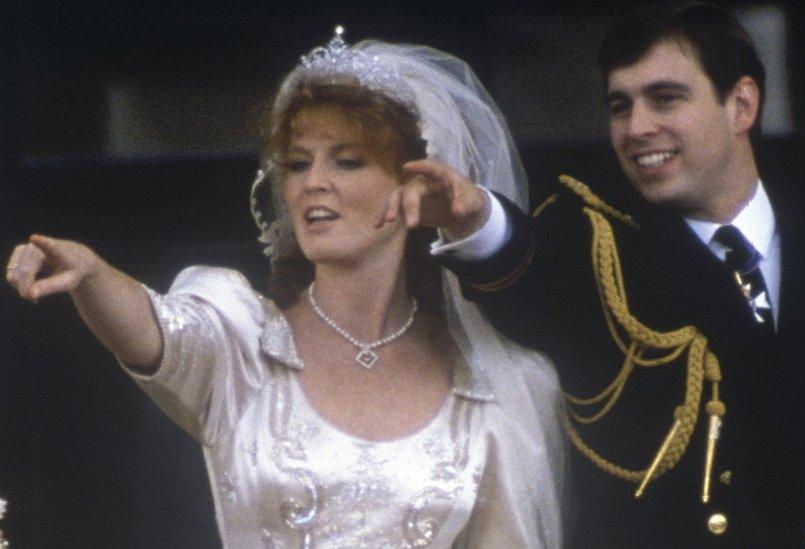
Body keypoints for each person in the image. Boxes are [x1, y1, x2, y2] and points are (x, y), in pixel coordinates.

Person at [403, 1, 805, 546]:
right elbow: (522, 263)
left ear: (742, 106)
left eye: (665, 98)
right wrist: (472, 215)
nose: (636, 128)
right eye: (620, 106)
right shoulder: (595, 251)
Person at [5, 29, 567, 548]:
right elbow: (153, 330)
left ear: (413, 184)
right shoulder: (240, 344)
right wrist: (93, 274)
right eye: (298, 164)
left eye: (348, 161)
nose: (314, 182)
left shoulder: (498, 386)